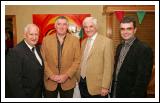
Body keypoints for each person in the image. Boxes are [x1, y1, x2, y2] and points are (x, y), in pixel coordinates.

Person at [110, 16, 154, 98]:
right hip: (116, 90)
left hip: (131, 94)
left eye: (129, 28)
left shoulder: (144, 49)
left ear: (135, 30)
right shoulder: (119, 47)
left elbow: (142, 81)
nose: (125, 32)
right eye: (122, 29)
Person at [41, 16, 81, 98]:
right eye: (59, 24)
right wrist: (51, 75)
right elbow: (43, 60)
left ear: (67, 26)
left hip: (68, 81)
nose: (61, 27)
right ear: (55, 26)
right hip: (50, 81)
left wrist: (66, 75)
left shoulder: (75, 40)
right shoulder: (46, 40)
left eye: (64, 24)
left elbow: (77, 60)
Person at [78, 17, 114, 98]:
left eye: (91, 26)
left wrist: (105, 86)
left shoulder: (106, 42)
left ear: (96, 27)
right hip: (82, 83)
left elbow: (109, 66)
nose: (88, 29)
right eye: (86, 27)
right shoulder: (83, 42)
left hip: (98, 87)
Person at [5, 24, 44, 98]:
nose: (34, 37)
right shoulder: (15, 52)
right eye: (31, 34)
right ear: (25, 35)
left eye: (36, 34)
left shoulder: (38, 49)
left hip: (37, 94)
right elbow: (14, 82)